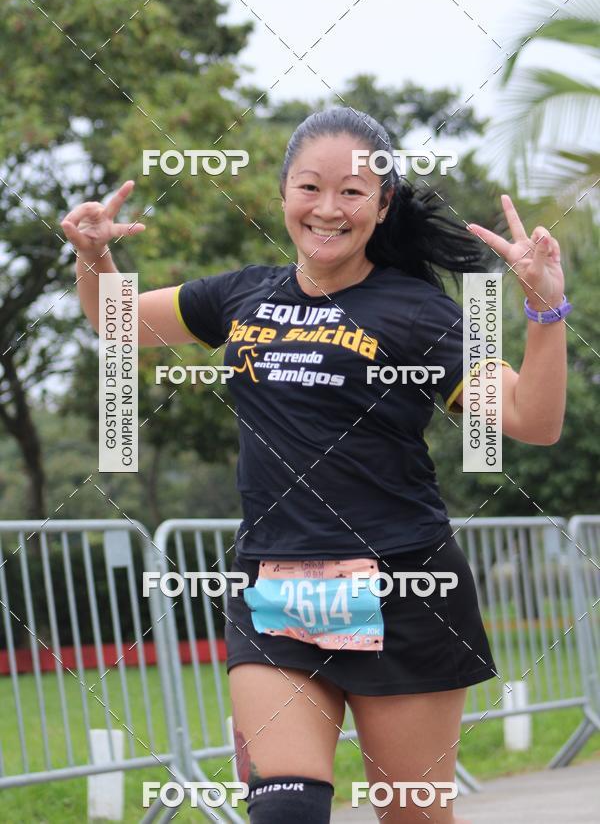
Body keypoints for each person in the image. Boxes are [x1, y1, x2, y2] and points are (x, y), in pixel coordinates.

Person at [63, 106, 568, 823]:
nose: (328, 208)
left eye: (353, 192)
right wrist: (93, 254)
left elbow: (533, 421)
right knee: (284, 812)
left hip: (403, 588)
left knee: (413, 815)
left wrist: (547, 311)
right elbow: (116, 321)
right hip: (277, 590)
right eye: (310, 188)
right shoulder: (242, 295)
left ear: (383, 204)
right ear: (283, 195)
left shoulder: (417, 313)